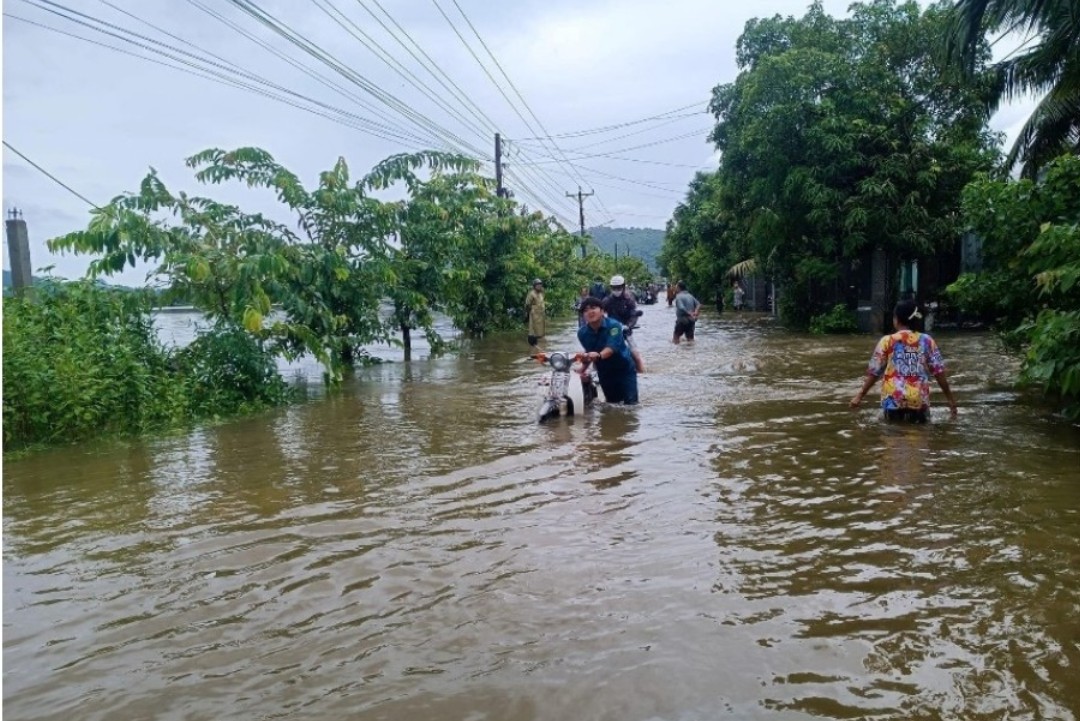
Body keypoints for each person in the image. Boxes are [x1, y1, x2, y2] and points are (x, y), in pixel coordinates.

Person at [850, 299, 958, 422]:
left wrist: (860, 396)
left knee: (891, 437)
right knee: (920, 437)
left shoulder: (887, 341)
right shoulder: (927, 340)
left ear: (896, 319)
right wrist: (950, 399)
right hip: (918, 400)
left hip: (893, 400)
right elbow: (939, 373)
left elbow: (874, 372)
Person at [577, 296, 638, 405]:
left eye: (593, 308)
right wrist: (582, 369)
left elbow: (610, 349)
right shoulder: (582, 333)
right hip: (604, 373)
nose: (590, 312)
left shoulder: (614, 326)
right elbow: (589, 352)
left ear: (602, 311)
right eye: (585, 310)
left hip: (624, 370)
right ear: (583, 316)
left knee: (631, 406)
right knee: (612, 405)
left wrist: (599, 355)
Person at [601, 274, 646, 373]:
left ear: (623, 286)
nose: (616, 289)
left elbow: (634, 315)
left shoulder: (629, 299)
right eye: (614, 287)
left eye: (618, 287)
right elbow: (600, 314)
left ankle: (643, 373)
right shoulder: (607, 300)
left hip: (626, 331)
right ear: (611, 287)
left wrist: (628, 326)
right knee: (598, 354)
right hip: (610, 331)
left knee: (636, 356)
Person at [672, 280, 701, 344]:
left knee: (675, 339)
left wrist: (689, 313)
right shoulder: (690, 295)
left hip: (682, 319)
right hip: (691, 320)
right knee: (690, 340)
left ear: (679, 288)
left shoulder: (678, 296)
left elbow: (681, 307)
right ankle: (691, 353)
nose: (676, 288)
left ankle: (676, 353)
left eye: (676, 287)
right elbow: (698, 304)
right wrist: (695, 312)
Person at [525, 278, 546, 353]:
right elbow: (527, 304)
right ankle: (533, 349)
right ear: (534, 286)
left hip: (541, 315)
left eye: (540, 285)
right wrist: (528, 314)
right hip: (534, 315)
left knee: (540, 333)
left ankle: (538, 349)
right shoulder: (531, 293)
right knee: (533, 332)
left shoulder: (541, 293)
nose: (539, 286)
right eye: (538, 285)